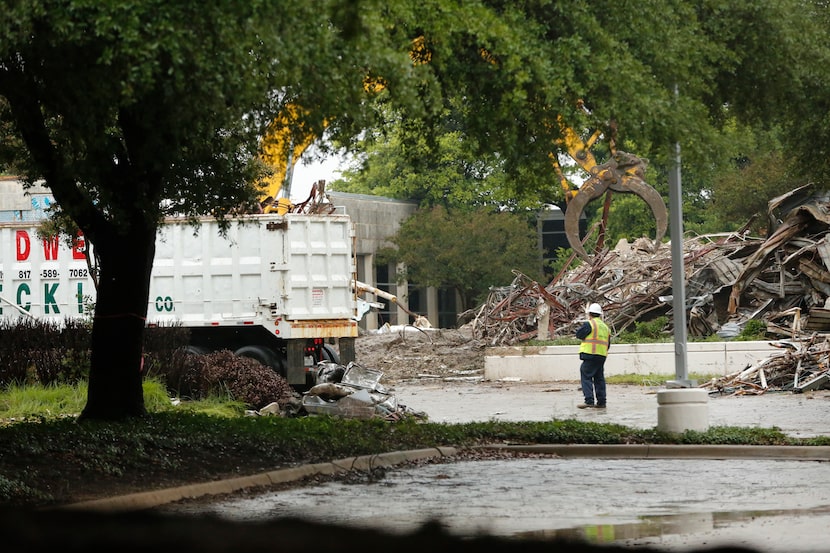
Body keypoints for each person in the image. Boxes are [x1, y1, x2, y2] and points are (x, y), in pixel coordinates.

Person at [575, 303, 610, 409]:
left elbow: (579, 335)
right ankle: (601, 402)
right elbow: (608, 343)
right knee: (599, 379)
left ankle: (589, 400)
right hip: (601, 355)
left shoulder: (589, 324)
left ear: (589, 313)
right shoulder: (605, 327)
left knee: (586, 376)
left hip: (590, 354)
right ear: (600, 314)